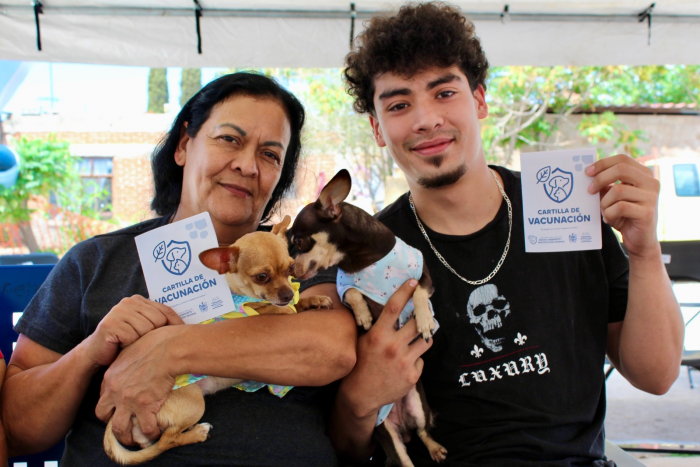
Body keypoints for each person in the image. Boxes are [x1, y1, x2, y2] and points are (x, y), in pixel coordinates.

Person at [327, 3, 685, 466]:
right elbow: (347, 445)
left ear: (479, 100)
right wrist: (360, 396)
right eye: (399, 105)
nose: (425, 119)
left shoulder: (566, 209)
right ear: (378, 128)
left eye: (444, 93)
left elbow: (656, 376)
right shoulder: (369, 253)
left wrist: (645, 251)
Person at [2, 72, 356, 466]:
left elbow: (331, 349)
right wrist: (90, 352)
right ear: (184, 145)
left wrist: (167, 350)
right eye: (230, 139)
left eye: (270, 155)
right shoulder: (95, 261)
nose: (247, 165)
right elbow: (18, 428)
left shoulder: (300, 258)